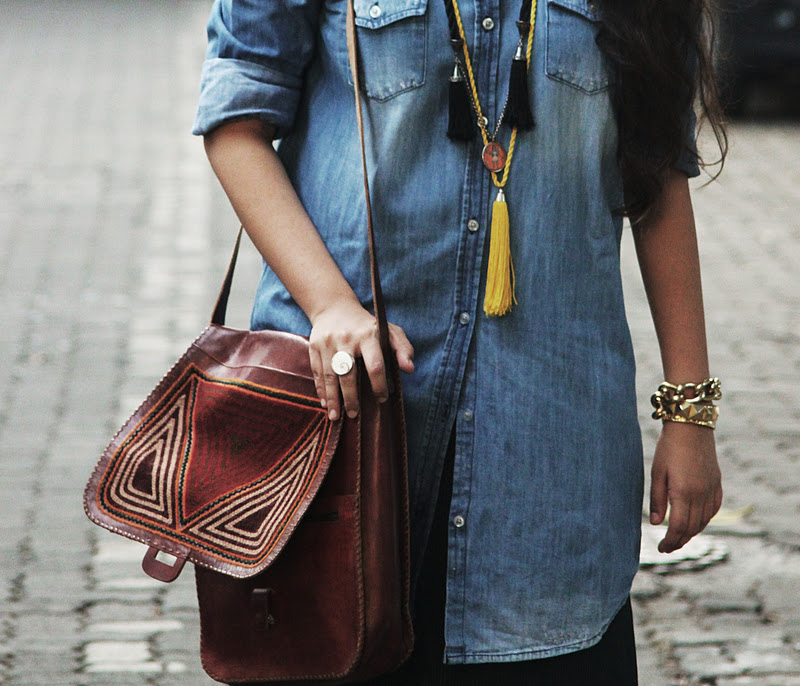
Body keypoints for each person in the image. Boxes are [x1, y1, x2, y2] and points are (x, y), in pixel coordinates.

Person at [193, 0, 726, 683]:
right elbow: (236, 117)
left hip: (549, 470)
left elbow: (657, 176)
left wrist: (691, 417)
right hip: (345, 434)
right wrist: (329, 303)